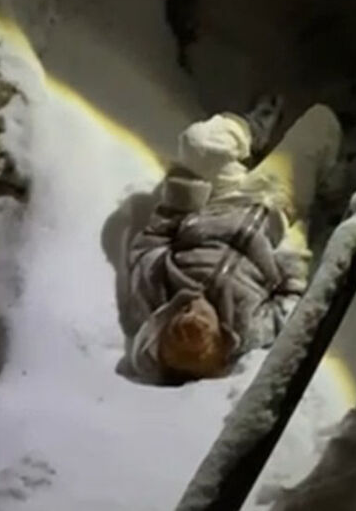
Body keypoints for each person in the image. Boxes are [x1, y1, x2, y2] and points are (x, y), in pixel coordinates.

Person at [102, 98, 342, 383]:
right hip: (274, 212)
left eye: (177, 325)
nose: (193, 308)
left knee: (199, 143)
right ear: (219, 338)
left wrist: (182, 200)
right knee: (321, 122)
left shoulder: (153, 290)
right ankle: (326, 179)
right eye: (201, 323)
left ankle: (255, 129)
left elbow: (153, 239)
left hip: (222, 200)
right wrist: (292, 244)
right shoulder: (247, 326)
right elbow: (287, 307)